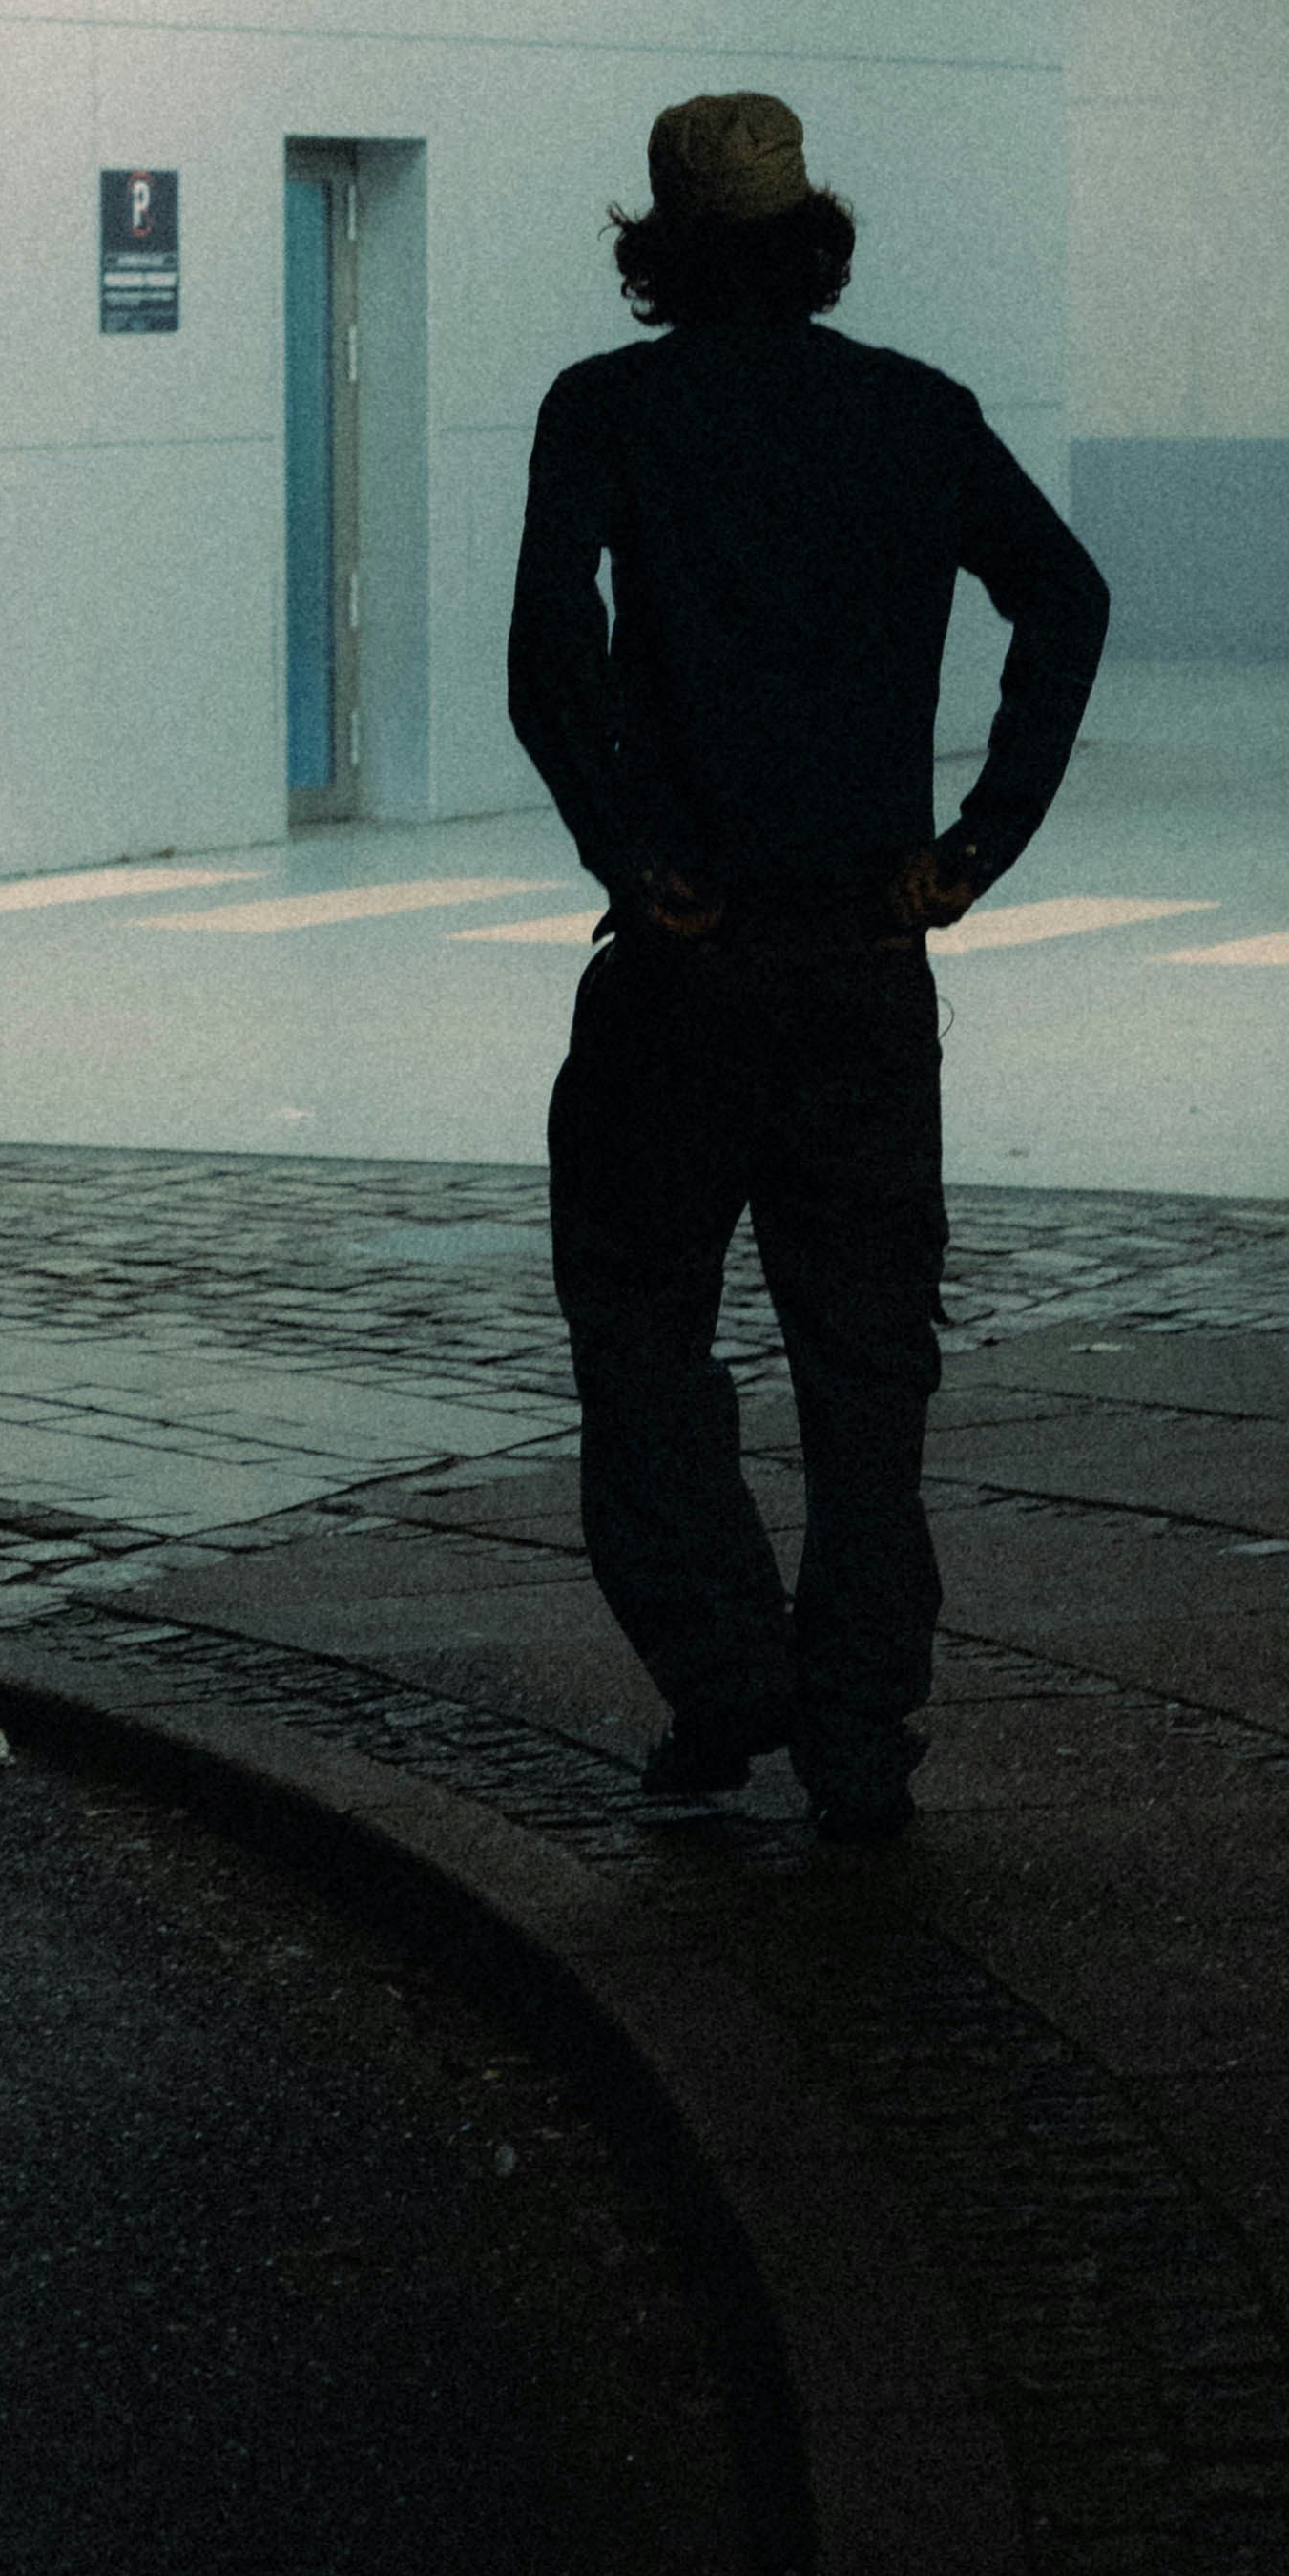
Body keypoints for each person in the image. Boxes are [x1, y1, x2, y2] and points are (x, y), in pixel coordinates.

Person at [507, 91, 1110, 1846]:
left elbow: (552, 662)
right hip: (863, 956)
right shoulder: (910, 414)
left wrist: (634, 852)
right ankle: (858, 1724)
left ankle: (722, 1661)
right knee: (863, 1363)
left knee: (638, 1325)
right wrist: (977, 840)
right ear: (810, 236)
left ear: (656, 248)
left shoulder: (605, 411)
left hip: (683, 966)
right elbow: (1060, 598)